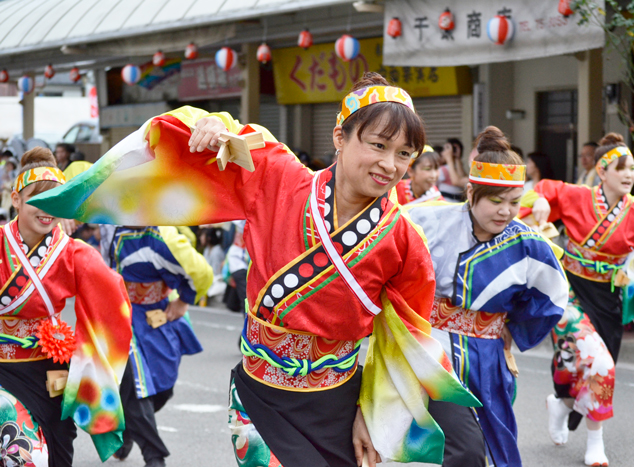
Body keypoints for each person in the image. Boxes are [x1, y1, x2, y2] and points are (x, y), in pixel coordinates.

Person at [28, 73, 479, 467]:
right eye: (378, 145)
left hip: (339, 401)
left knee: (468, 442)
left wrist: (371, 413)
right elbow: (233, 140)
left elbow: (407, 345)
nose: (390, 164)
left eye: (404, 154)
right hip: (262, 397)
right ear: (340, 138)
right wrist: (211, 124)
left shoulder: (404, 242)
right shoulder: (279, 176)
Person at [406, 126, 568, 467]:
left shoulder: (527, 243)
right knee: (465, 448)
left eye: (513, 202)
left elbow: (552, 294)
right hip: (436, 351)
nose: (506, 212)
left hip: (489, 355)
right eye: (495, 201)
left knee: (491, 444)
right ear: (470, 192)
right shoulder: (428, 219)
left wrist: (512, 329)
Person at [525, 133, 634, 466]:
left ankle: (560, 405)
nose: (629, 174)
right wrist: (540, 203)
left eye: (632, 167)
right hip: (569, 291)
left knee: (598, 365)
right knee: (591, 364)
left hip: (609, 295)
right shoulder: (576, 195)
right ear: (602, 172)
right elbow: (540, 190)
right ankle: (595, 442)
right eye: (620, 168)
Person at [0, 148, 132, 466]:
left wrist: (90, 369)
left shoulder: (73, 254)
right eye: (38, 199)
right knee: (25, 455)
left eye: (56, 200)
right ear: (16, 199)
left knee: (58, 455)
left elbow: (113, 305)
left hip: (48, 370)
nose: (48, 210)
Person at [108, 224, 212, 467]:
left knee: (162, 388)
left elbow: (202, 272)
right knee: (136, 386)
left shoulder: (160, 237)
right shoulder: (106, 223)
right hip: (117, 317)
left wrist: (184, 301)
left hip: (153, 316)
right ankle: (154, 457)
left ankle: (127, 429)